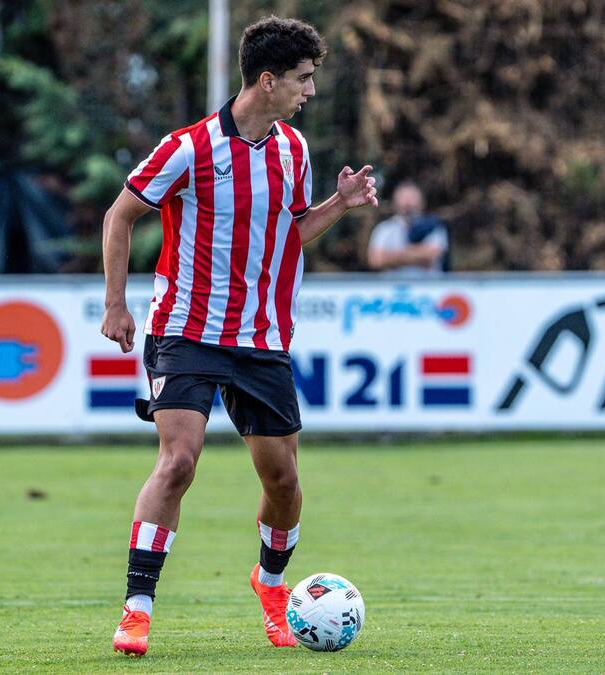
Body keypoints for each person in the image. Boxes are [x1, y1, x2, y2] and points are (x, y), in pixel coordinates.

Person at [99, 16, 378, 657]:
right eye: (303, 78)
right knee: (179, 461)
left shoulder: (294, 150)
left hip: (261, 338)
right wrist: (115, 303)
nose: (311, 90)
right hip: (186, 329)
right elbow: (120, 214)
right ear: (268, 80)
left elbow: (291, 232)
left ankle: (272, 585)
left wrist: (338, 206)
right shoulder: (188, 148)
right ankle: (137, 609)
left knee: (283, 481)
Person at [367, 181, 449, 276]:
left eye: (412, 198)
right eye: (403, 198)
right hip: (393, 285)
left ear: (422, 202)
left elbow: (432, 255)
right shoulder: (384, 229)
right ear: (394, 202)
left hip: (427, 285)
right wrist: (419, 254)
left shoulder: (435, 226)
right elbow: (376, 260)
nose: (408, 203)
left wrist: (392, 257)